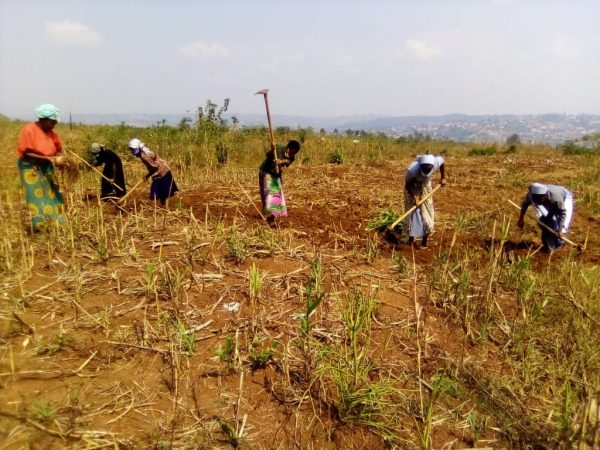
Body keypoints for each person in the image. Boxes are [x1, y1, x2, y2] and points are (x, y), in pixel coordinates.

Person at [16, 104, 69, 231]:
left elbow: (59, 150)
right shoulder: (29, 130)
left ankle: (57, 223)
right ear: (44, 120)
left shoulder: (53, 134)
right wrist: (47, 158)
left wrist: (63, 160)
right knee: (36, 196)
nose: (54, 125)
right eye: (52, 122)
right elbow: (26, 152)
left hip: (47, 167)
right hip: (30, 168)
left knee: (53, 193)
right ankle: (41, 226)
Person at [403, 154, 446, 248]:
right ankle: (411, 239)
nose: (427, 170)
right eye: (425, 169)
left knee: (427, 212)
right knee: (412, 212)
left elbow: (442, 160)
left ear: (432, 167)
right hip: (412, 186)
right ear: (421, 166)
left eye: (429, 169)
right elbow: (408, 184)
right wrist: (415, 198)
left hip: (426, 186)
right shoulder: (412, 170)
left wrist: (443, 177)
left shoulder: (435, 162)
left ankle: (424, 241)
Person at [518, 182, 573, 252]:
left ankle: (559, 243)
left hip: (564, 197)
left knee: (563, 226)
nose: (537, 200)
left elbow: (562, 213)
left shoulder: (555, 197)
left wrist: (559, 230)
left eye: (540, 198)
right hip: (548, 201)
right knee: (543, 221)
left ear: (545, 195)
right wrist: (521, 218)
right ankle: (549, 242)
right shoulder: (531, 196)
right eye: (536, 198)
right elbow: (525, 204)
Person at [258, 140, 301, 220]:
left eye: (293, 153)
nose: (291, 154)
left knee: (276, 193)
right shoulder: (277, 149)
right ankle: (266, 213)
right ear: (287, 148)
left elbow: (287, 161)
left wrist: (280, 162)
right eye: (291, 151)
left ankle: (273, 213)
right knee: (265, 193)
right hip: (265, 171)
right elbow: (268, 155)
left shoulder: (292, 157)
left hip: (276, 174)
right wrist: (272, 150)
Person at [128, 138, 178, 205]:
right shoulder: (143, 154)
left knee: (162, 192)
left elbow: (155, 167)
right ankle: (163, 207)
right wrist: (148, 175)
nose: (132, 151)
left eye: (132, 149)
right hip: (161, 172)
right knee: (162, 192)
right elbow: (153, 167)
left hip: (163, 172)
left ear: (137, 148)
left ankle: (164, 208)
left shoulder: (145, 156)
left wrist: (149, 175)